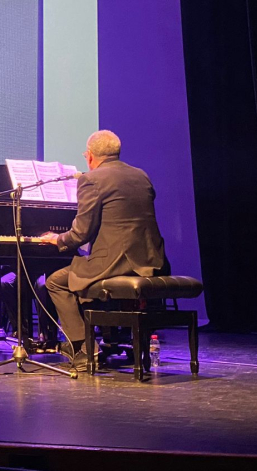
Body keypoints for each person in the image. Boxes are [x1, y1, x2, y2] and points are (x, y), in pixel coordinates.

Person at [38, 131, 168, 370]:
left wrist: (57, 239)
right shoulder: (142, 175)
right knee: (80, 277)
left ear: (89, 156)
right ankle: (103, 337)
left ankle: (82, 347)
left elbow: (80, 234)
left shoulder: (91, 179)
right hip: (150, 259)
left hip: (115, 263)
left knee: (56, 281)